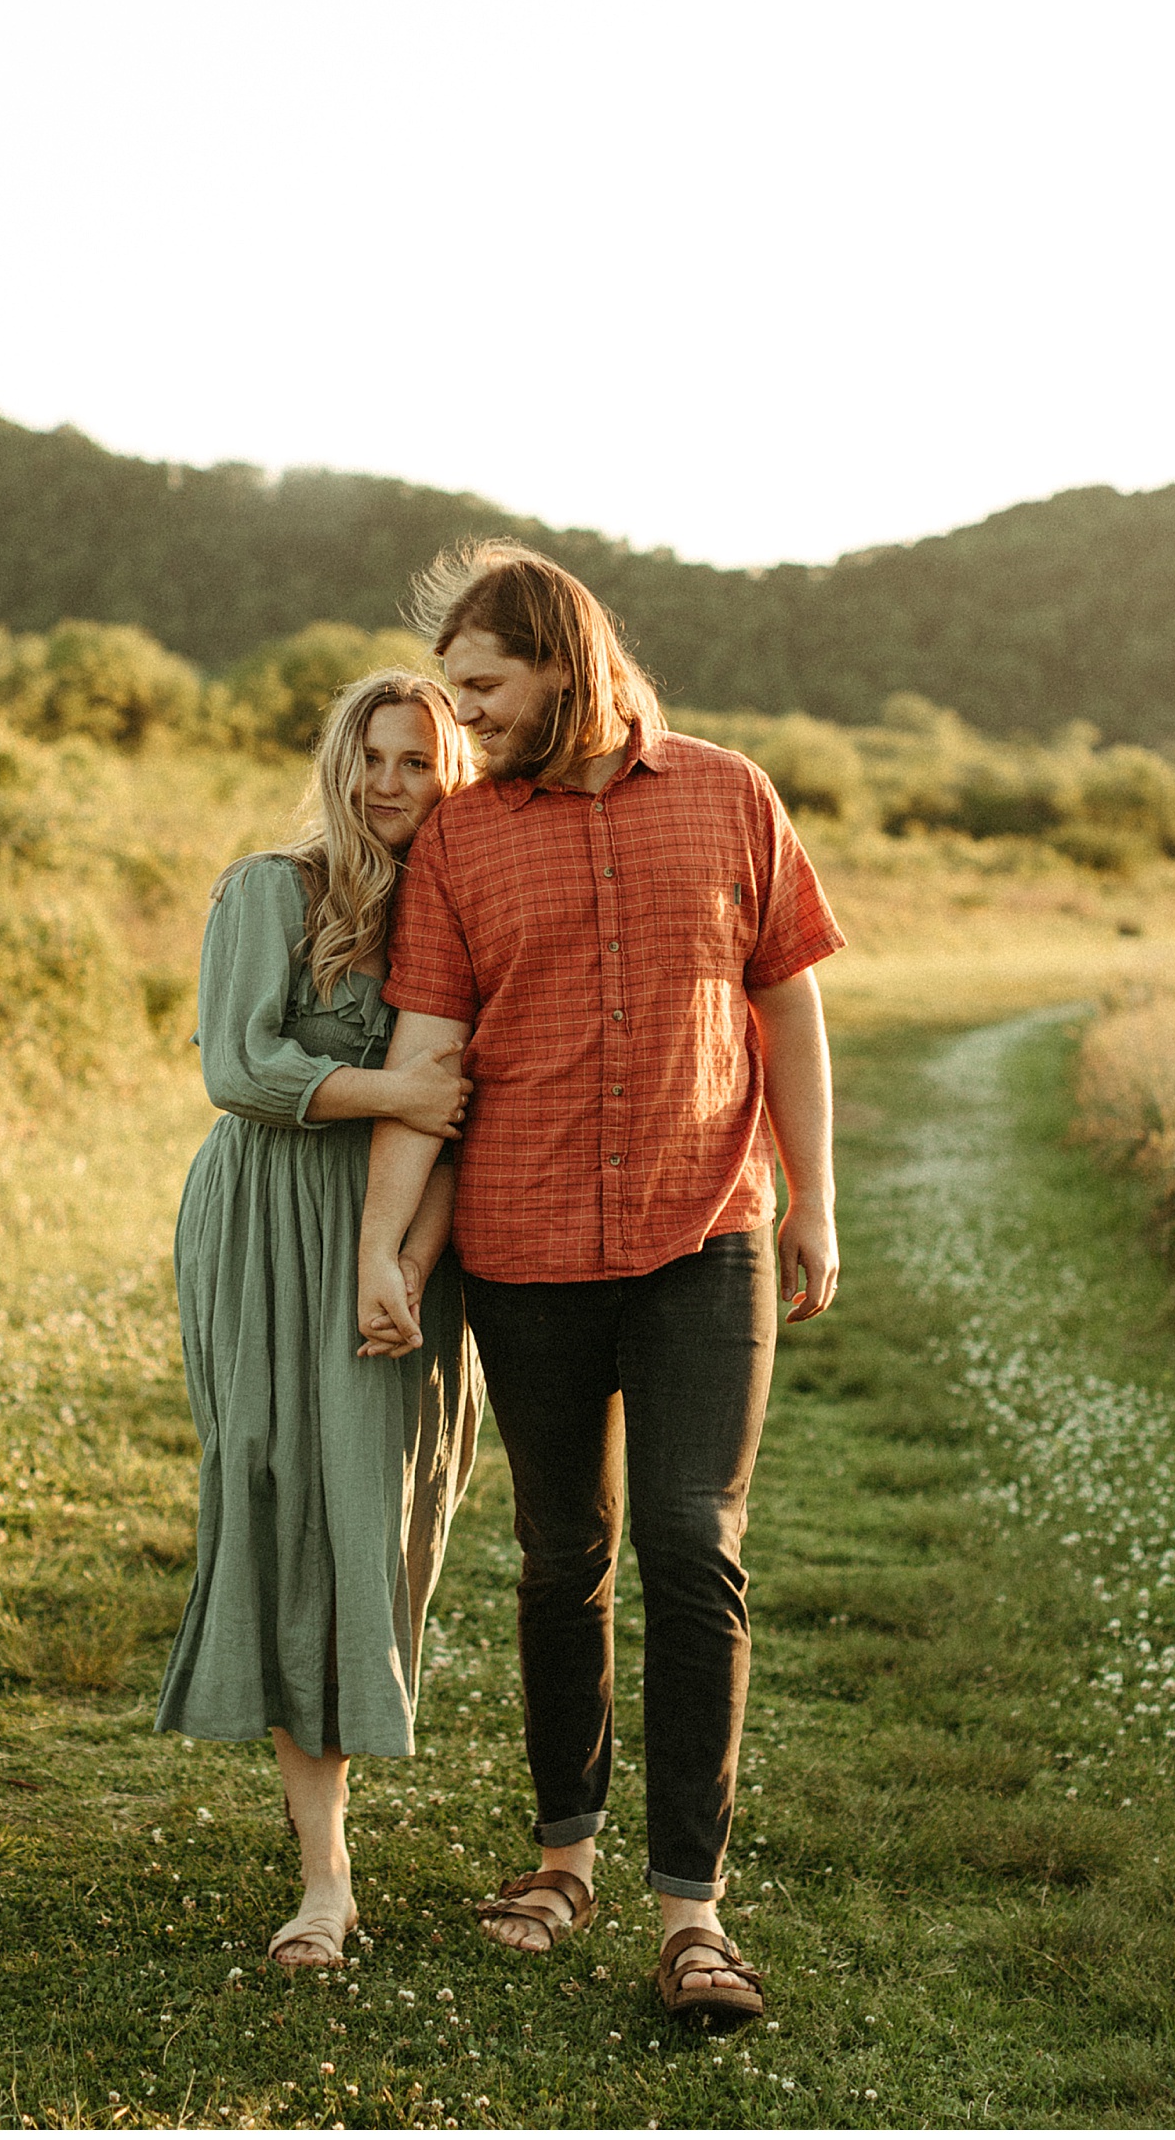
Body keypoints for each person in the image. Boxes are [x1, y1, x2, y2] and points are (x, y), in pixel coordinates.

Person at [356, 543, 844, 2027]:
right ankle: (561, 1857)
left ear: (564, 662)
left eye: (486, 686)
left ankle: (691, 1911)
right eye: (455, 691)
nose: (469, 714)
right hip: (527, 1247)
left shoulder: (728, 790)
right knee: (563, 1549)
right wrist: (389, 1242)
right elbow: (432, 1056)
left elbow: (788, 996)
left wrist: (816, 1195)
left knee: (692, 1544)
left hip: (709, 1233)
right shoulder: (458, 842)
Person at [154, 669, 484, 1969]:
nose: (393, 784)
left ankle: (337, 1826)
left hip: (398, 1237)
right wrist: (391, 1081)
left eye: (420, 760)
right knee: (279, 1494)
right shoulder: (266, 891)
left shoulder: (460, 916)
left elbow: (460, 1111)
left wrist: (405, 1257)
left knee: (368, 1517)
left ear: (448, 773)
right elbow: (240, 1067)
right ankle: (324, 1877)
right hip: (263, 1228)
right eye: (373, 758)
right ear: (340, 766)